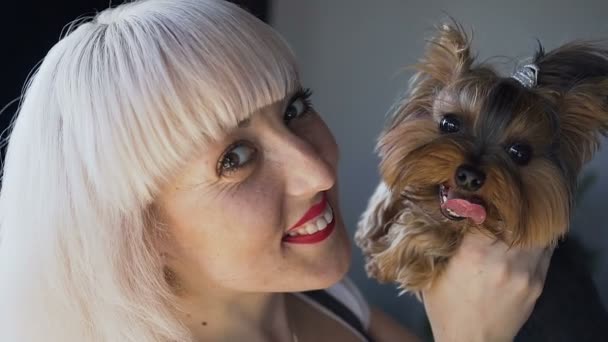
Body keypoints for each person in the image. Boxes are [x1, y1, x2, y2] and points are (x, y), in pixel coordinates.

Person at [0, 0, 551, 341]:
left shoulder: (324, 300)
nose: (316, 169)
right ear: (139, 227)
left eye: (294, 109)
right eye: (234, 159)